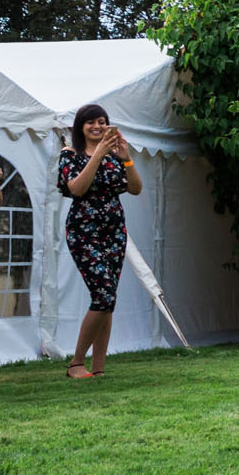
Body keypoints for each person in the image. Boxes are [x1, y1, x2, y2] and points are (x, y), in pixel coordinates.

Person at [56, 104, 142, 380]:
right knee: (103, 294)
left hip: (114, 229)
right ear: (80, 127)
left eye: (102, 122)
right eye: (91, 122)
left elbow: (136, 189)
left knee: (109, 299)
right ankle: (76, 364)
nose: (97, 126)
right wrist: (99, 155)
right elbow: (77, 188)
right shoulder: (70, 155)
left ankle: (100, 367)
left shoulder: (116, 156)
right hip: (84, 229)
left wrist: (125, 158)